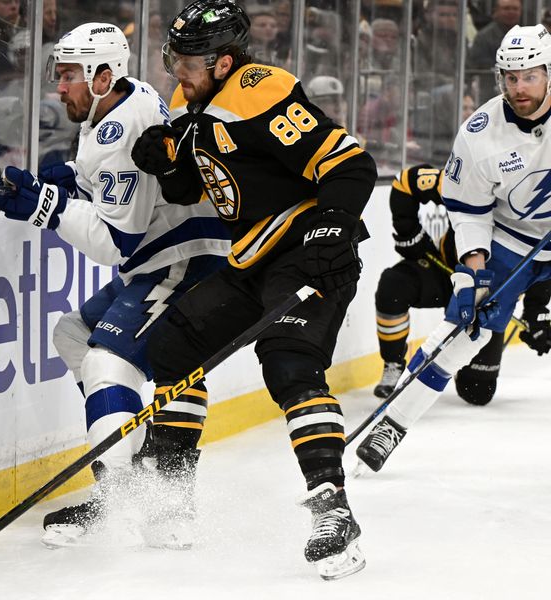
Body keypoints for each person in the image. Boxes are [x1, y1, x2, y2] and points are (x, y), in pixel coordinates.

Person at [131, 0, 377, 580]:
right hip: (252, 259)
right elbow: (197, 187)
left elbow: (349, 164)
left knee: (290, 365)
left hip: (305, 251)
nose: (176, 69)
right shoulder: (189, 101)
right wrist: (166, 162)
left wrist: (334, 227)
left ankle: (333, 511)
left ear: (222, 61)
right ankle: (172, 499)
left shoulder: (259, 92)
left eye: (188, 59)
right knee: (173, 348)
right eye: (175, 56)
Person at [0, 22, 230, 549]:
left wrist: (46, 209)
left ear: (104, 75)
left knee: (107, 363)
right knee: (75, 336)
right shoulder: (125, 100)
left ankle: (127, 498)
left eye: (70, 75)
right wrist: (73, 176)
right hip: (169, 256)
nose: (60, 87)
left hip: (182, 259)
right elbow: (116, 179)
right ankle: (147, 485)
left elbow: (118, 241)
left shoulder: (122, 126)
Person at [356, 24, 551, 474]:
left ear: (547, 74)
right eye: (511, 77)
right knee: (465, 331)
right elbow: (469, 212)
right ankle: (393, 423)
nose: (519, 87)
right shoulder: (481, 132)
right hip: (509, 238)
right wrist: (472, 271)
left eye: (530, 76)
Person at [372, 164, 551, 404]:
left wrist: (535, 309)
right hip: (448, 274)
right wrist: (408, 234)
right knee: (394, 285)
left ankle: (462, 359)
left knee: (476, 391)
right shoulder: (472, 183)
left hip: (488, 297)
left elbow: (541, 264)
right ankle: (393, 362)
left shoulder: (537, 210)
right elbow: (405, 182)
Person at [467, 0, 521, 71]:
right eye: (506, 8)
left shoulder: (527, 35)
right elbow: (480, 68)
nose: (511, 12)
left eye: (515, 9)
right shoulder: (483, 38)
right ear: (496, 11)